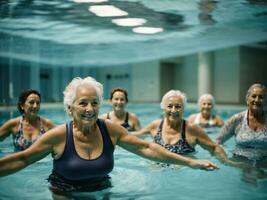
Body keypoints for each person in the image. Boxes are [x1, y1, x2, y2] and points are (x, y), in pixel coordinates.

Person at [0, 77, 218, 197]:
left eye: (95, 103)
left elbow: (146, 148)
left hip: (103, 189)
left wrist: (190, 162)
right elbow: (22, 159)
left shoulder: (110, 129)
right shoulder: (58, 135)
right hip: (64, 193)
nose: (89, 108)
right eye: (83, 103)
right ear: (70, 107)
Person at [132, 90, 236, 166]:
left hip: (182, 171)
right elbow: (134, 136)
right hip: (156, 171)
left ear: (183, 109)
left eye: (178, 106)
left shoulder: (191, 128)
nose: (174, 110)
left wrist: (226, 162)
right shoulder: (155, 125)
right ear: (163, 108)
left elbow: (214, 147)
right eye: (169, 106)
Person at [216, 83, 267, 184]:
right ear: (247, 98)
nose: (256, 100)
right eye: (254, 96)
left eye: (261, 97)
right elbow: (217, 141)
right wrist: (225, 160)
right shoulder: (237, 119)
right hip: (241, 162)